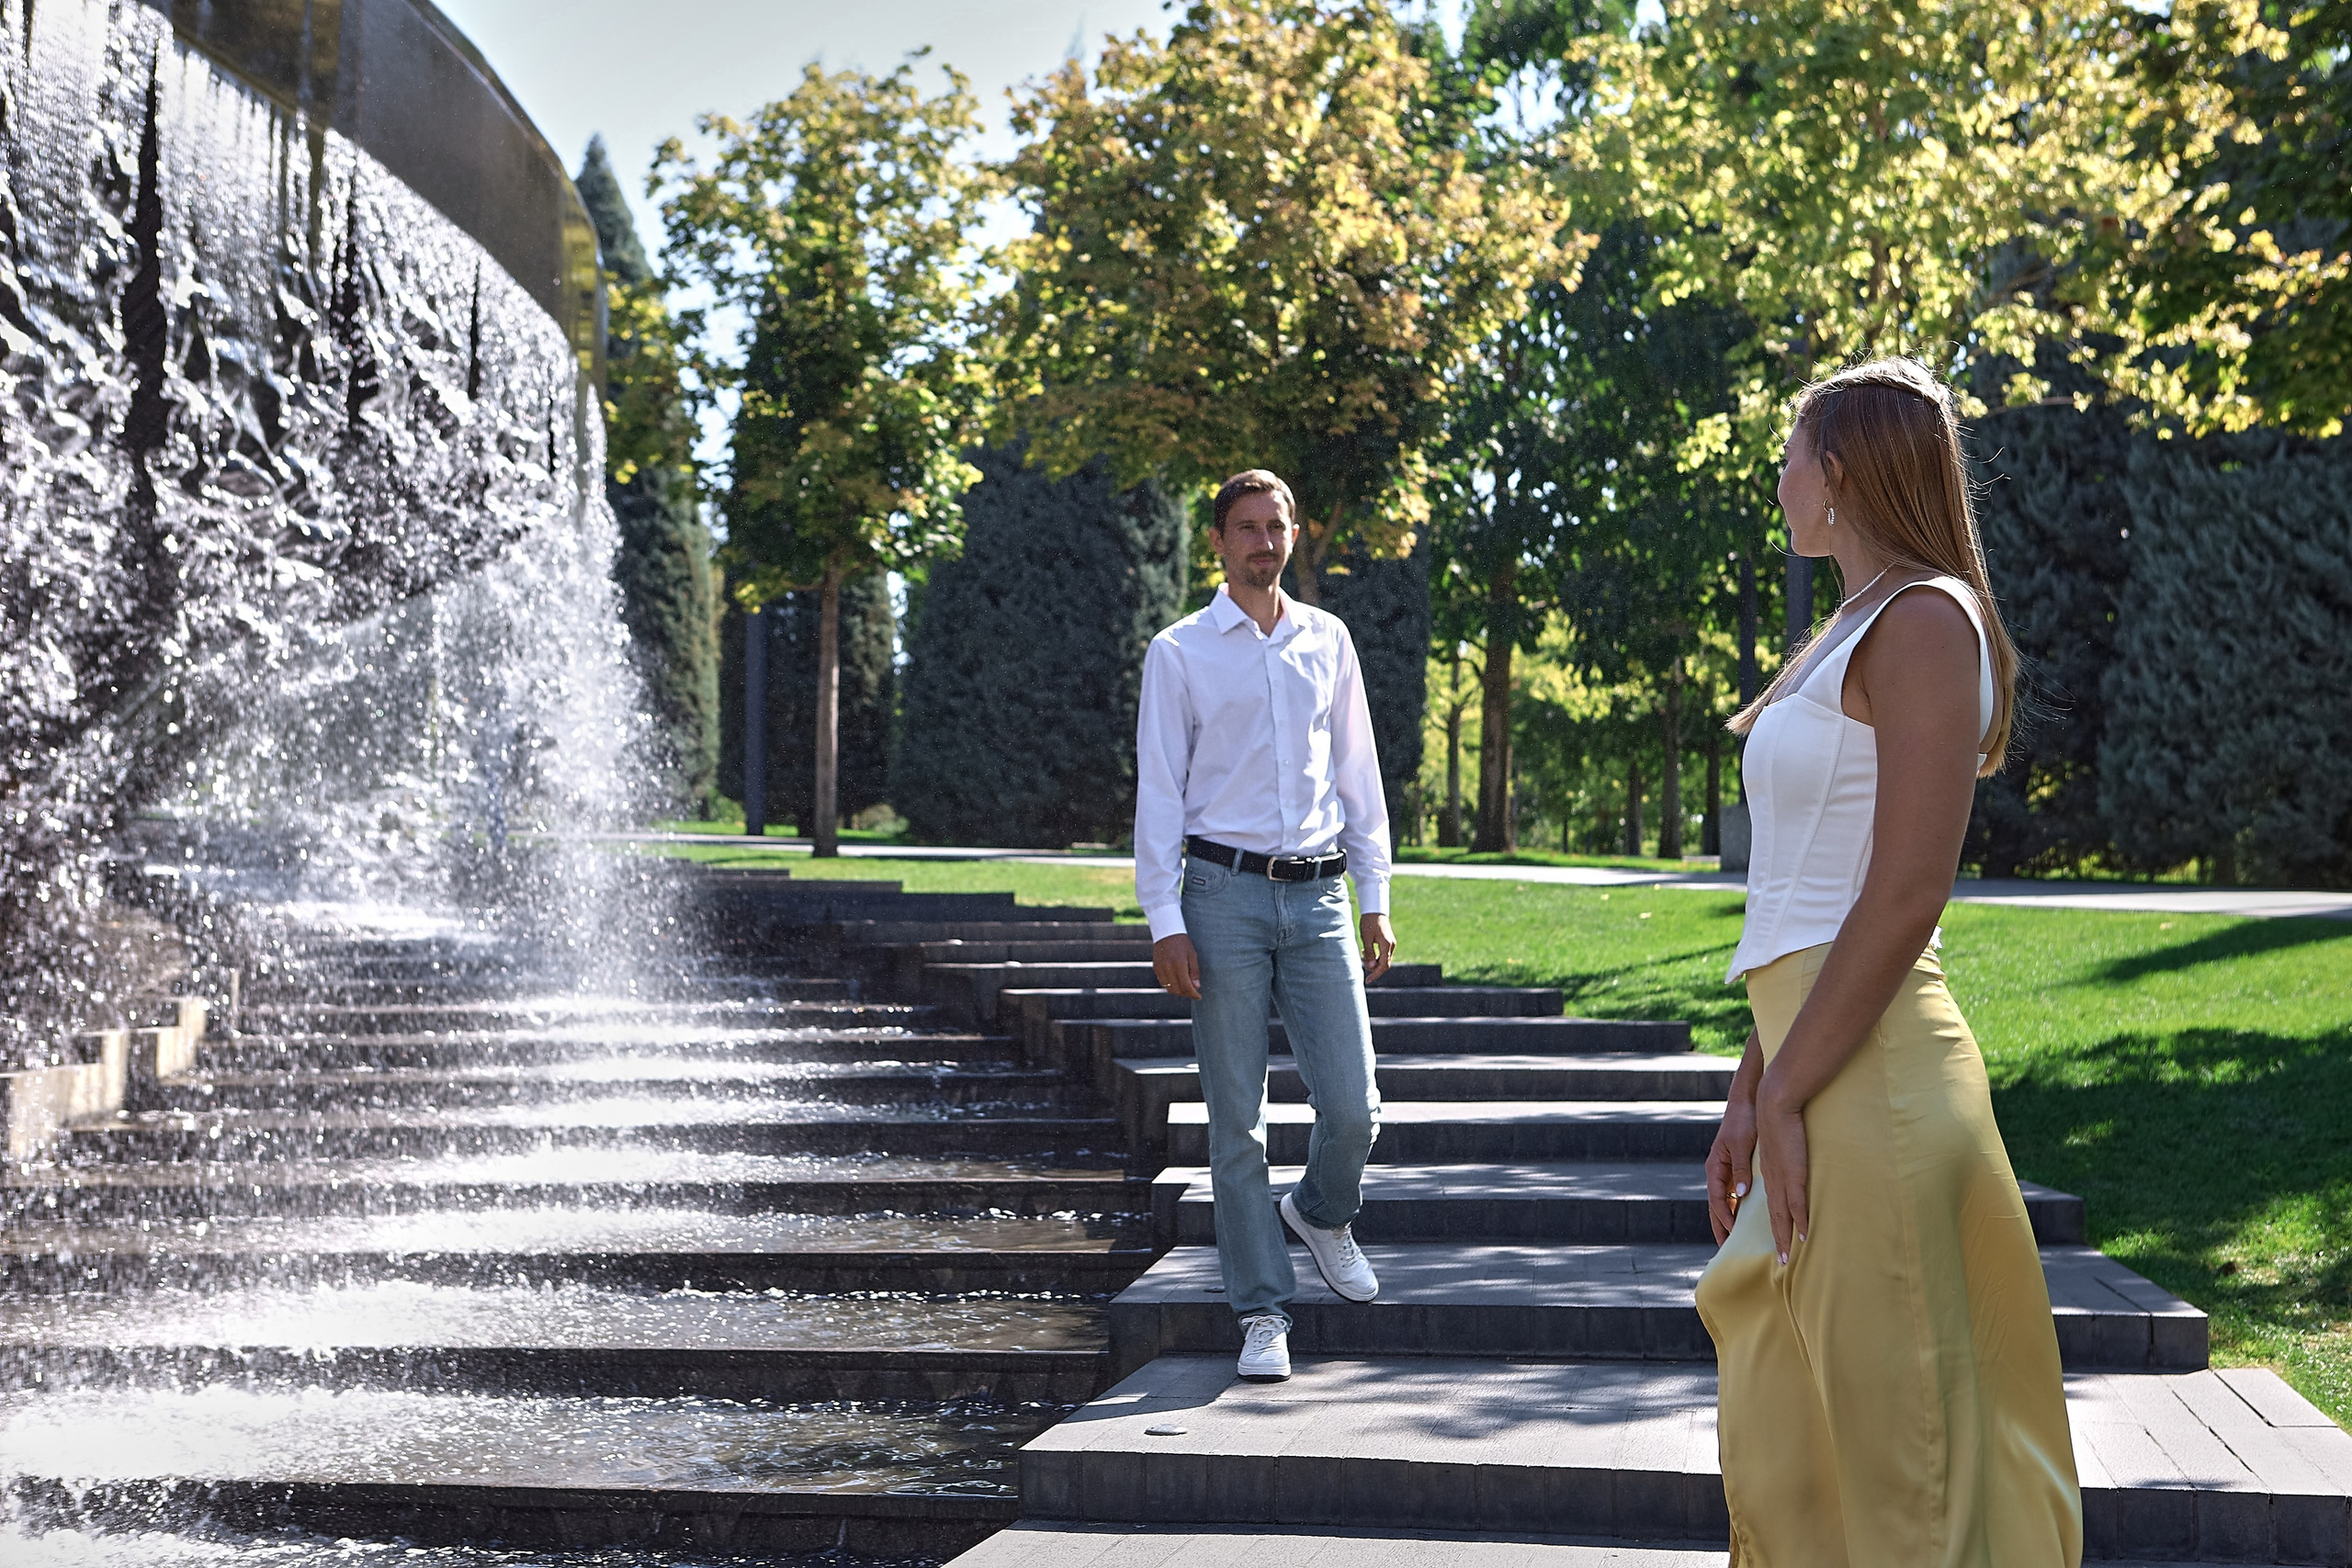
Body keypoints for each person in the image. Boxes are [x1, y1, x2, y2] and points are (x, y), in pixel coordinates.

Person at [1697, 357, 2081, 1566]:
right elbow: (1798, 893)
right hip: (1815, 1048)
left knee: (1898, 1430)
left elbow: (1907, 886)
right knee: (1792, 1394)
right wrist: (1752, 1084)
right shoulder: (1848, 627)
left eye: (1792, 451)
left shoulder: (1927, 618)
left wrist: (1796, 1082)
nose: (1779, 475)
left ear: (1842, 469)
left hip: (1879, 1068)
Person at [1134, 468, 1396, 1384]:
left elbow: (1360, 776)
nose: (1262, 541)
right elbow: (1159, 792)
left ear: (1293, 535)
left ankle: (1322, 1211)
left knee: (1355, 1104)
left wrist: (1376, 898)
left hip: (1320, 897)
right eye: (1245, 527)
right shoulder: (1179, 652)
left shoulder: (1328, 641)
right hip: (1221, 898)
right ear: (1218, 541)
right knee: (1235, 1123)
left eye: (1275, 526)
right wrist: (1164, 918)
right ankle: (1260, 1310)